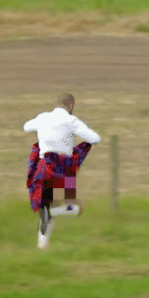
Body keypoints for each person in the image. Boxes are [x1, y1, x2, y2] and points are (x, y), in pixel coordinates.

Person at [24, 93, 101, 249]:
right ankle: (53, 214)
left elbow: (26, 127)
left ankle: (41, 247)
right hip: (63, 172)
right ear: (70, 106)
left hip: (43, 169)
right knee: (76, 208)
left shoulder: (43, 117)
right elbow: (95, 139)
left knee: (45, 208)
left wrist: (45, 132)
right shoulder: (71, 121)